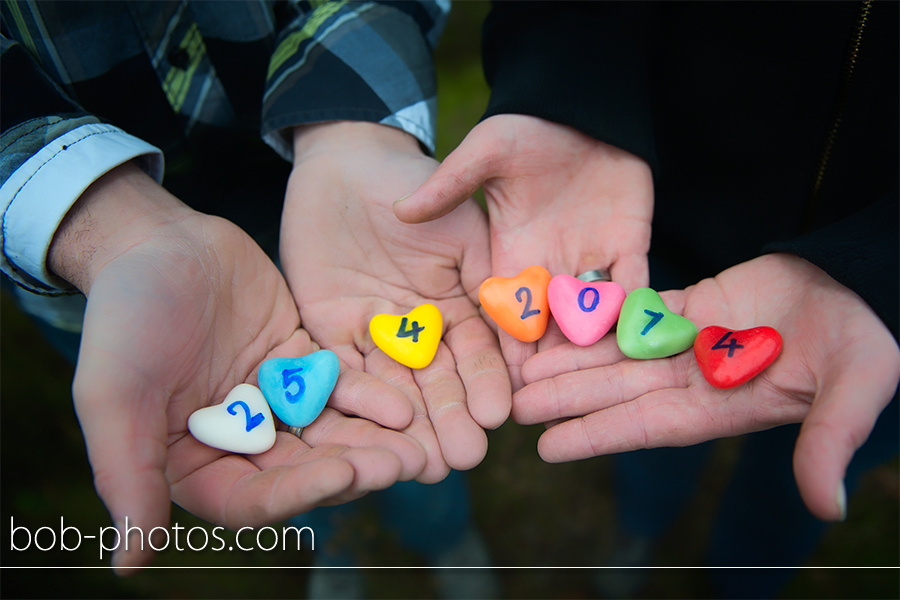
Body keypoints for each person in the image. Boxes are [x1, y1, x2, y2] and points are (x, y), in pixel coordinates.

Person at [394, 1, 899, 594]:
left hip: (880, 308)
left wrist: (883, 268)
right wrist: (568, 91)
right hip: (655, 217)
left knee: (796, 486)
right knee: (653, 439)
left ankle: (743, 580)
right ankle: (642, 524)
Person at [1, 0, 509, 576]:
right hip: (97, 289)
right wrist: (96, 224)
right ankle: (335, 552)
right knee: (294, 468)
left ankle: (442, 539)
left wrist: (353, 129)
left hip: (324, 202)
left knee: (409, 433)